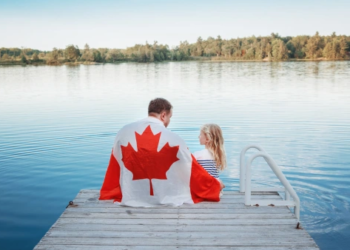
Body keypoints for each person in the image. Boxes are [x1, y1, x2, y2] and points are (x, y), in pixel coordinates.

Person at [99, 98, 224, 207]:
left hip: (131, 196)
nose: (169, 121)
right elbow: (193, 171)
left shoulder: (124, 131)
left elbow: (114, 167)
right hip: (164, 196)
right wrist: (215, 186)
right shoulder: (174, 139)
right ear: (163, 115)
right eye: (170, 117)